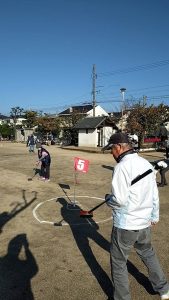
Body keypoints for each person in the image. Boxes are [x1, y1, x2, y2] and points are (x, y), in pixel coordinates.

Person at [102, 132, 169, 300]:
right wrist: (154, 216)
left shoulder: (121, 167)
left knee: (118, 263)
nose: (111, 153)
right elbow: (154, 193)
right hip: (145, 222)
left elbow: (119, 200)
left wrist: (108, 199)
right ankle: (164, 289)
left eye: (112, 149)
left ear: (119, 147)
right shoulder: (145, 163)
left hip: (126, 224)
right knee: (148, 253)